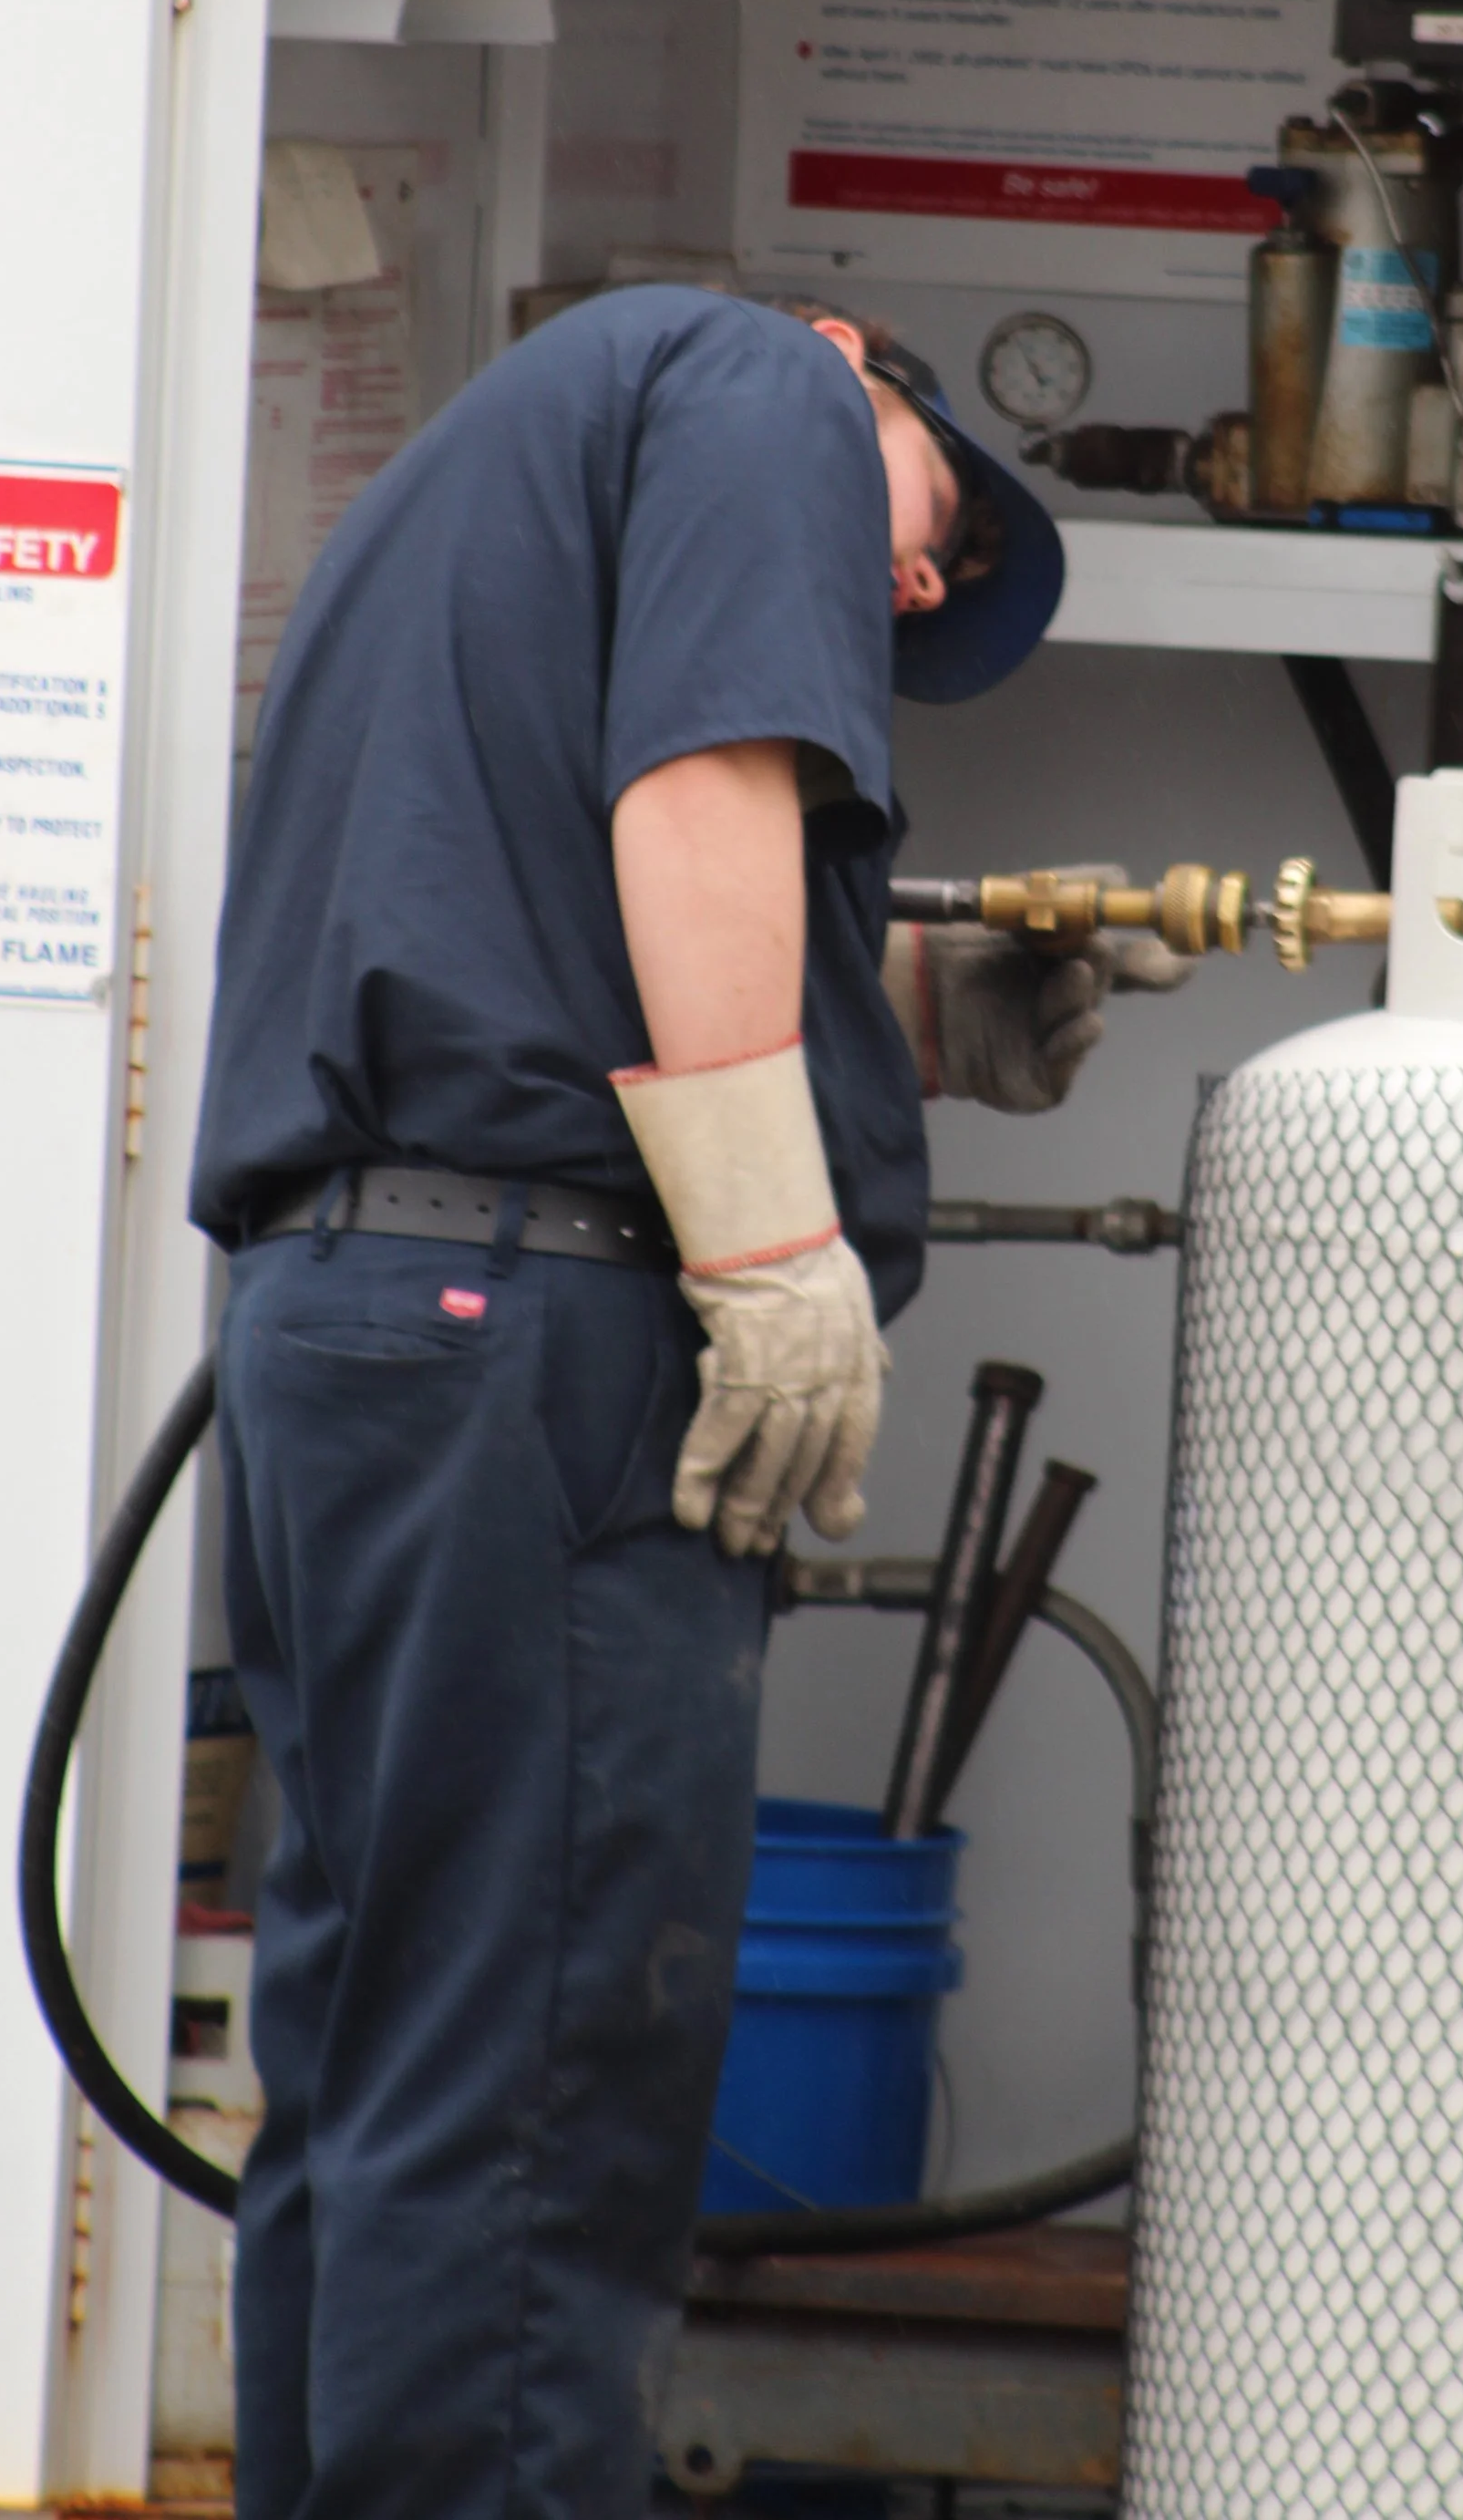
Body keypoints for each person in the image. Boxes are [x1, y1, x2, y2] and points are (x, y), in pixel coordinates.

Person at [187, 286, 1153, 2520]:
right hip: (528, 1347)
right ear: (860, 354)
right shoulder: (753, 384)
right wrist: (773, 1252)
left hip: (368, 1325)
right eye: (944, 524)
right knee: (537, 2089)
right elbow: (702, 789)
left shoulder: (491, 478)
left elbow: (519, 934)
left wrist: (903, 1010)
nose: (917, 580)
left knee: (383, 2081)